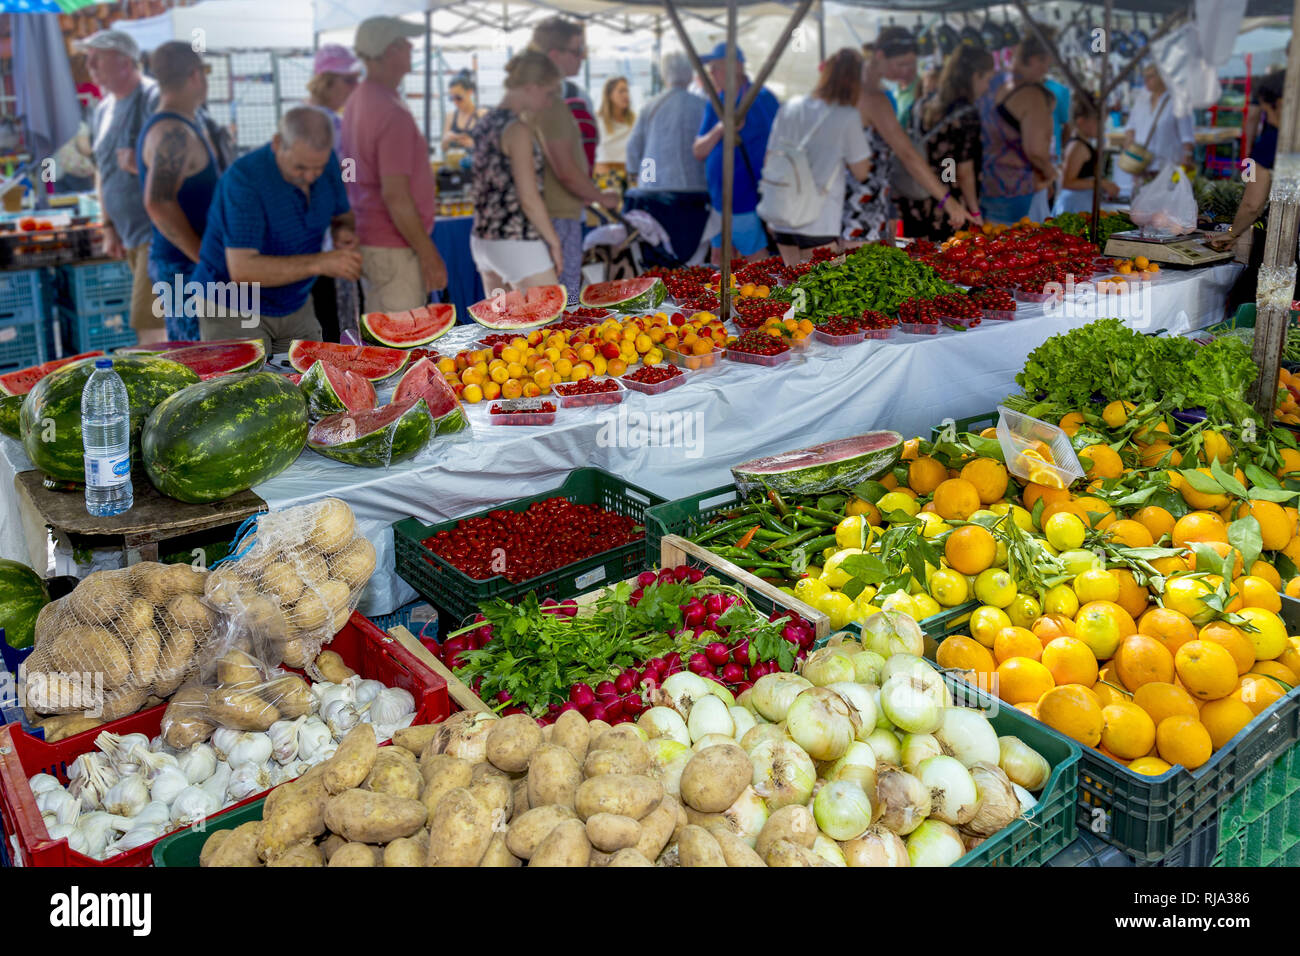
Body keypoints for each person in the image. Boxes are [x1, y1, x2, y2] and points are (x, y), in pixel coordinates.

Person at [192, 108, 361, 356]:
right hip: (232, 305)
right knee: (246, 390)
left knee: (310, 383)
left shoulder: (327, 164)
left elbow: (342, 216)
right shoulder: (244, 179)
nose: (310, 177)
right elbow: (243, 270)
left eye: (318, 169)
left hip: (295, 300)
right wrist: (321, 262)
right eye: (300, 168)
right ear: (278, 143)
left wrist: (342, 232)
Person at [342, 16, 446, 314]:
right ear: (389, 51)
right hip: (395, 247)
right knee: (401, 342)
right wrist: (429, 255)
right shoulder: (391, 112)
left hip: (372, 238)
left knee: (385, 337)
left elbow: (347, 168)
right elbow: (396, 195)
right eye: (405, 42)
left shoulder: (357, 101)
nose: (413, 47)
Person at [844, 30, 972, 245]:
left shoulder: (852, 88)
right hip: (858, 204)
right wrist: (948, 201)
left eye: (913, 64)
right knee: (854, 269)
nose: (909, 72)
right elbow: (907, 154)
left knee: (846, 266)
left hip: (864, 200)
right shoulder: (873, 98)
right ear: (880, 56)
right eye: (902, 64)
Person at [529, 17, 620, 303]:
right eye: (577, 50)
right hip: (557, 213)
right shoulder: (551, 103)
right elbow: (565, 170)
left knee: (547, 300)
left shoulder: (534, 96)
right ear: (555, 55)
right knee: (560, 302)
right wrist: (599, 197)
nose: (582, 58)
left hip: (551, 210)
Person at [80, 30, 163, 344]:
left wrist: (141, 164)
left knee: (150, 321)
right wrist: (108, 225)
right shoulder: (103, 109)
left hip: (159, 231)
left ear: (125, 61)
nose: (90, 66)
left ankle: (165, 390)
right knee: (153, 319)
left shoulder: (153, 97)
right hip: (130, 234)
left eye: (97, 58)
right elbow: (102, 170)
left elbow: (182, 161)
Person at [137, 42, 220, 343]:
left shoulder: (180, 125)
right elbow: (158, 202)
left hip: (187, 264)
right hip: (184, 267)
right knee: (199, 358)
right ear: (195, 75)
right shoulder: (173, 132)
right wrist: (202, 254)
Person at [762, 48, 872, 264]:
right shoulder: (847, 115)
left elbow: (770, 158)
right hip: (818, 218)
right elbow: (862, 172)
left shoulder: (790, 106)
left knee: (794, 289)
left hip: (782, 213)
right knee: (823, 292)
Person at [469, 52, 564, 293]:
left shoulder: (484, 122)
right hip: (518, 241)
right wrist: (554, 242)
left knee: (501, 327)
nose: (550, 102)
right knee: (547, 328)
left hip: (483, 241)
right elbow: (529, 198)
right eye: (549, 93)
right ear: (532, 87)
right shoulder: (517, 130)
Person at [1211, 72, 1292, 315]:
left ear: (1278, 104)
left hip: (1281, 242)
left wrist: (1232, 234)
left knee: (1253, 308)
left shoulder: (1271, 141)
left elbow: (1252, 204)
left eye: (1267, 110)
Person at [692, 43, 780, 265]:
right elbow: (699, 150)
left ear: (736, 68)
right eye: (710, 69)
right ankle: (730, 301)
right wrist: (721, 128)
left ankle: (767, 300)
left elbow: (780, 147)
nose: (711, 74)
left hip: (746, 200)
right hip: (719, 201)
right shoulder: (717, 101)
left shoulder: (761, 99)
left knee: (757, 262)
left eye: (716, 68)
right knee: (719, 258)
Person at [897, 44, 994, 241]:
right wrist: (975, 213)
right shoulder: (966, 114)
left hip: (915, 195)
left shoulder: (921, 105)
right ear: (975, 76)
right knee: (946, 262)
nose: (987, 87)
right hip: (947, 204)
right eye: (987, 79)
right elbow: (963, 171)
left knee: (919, 258)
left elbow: (943, 158)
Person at [624, 50, 709, 264]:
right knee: (692, 254)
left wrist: (643, 177)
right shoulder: (703, 105)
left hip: (655, 189)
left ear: (664, 75)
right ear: (690, 75)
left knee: (660, 251)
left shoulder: (650, 105)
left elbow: (635, 149)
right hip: (696, 190)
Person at [306, 44, 361, 342]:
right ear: (327, 81)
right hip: (333, 241)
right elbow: (348, 181)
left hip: (304, 246)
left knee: (320, 327)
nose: (355, 87)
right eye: (349, 80)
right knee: (341, 332)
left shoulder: (295, 119)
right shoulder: (335, 125)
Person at [978, 32, 1057, 225]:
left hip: (982, 183)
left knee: (984, 247)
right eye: (1046, 64)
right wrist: (1052, 174)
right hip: (1015, 188)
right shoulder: (1031, 95)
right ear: (1034, 59)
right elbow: (1036, 151)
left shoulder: (990, 81)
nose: (1046, 71)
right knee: (1015, 250)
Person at [1122, 63, 1196, 177]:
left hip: (1167, 166)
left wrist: (1187, 156)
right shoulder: (1141, 99)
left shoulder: (1178, 100)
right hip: (1140, 165)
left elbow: (1187, 136)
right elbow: (1130, 126)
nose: (1146, 80)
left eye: (1151, 76)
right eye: (1144, 76)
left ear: (1163, 77)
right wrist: (1129, 144)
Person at [1052, 101, 1120, 216]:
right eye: (1098, 122)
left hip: (1082, 204)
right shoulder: (1078, 147)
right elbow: (1067, 182)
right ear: (1081, 121)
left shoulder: (1082, 144)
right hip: (1075, 207)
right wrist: (1102, 183)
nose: (1102, 127)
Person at [306, 44, 361, 153]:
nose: (357, 86)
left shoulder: (298, 113)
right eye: (349, 80)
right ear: (326, 83)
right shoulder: (332, 123)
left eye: (357, 79)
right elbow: (348, 168)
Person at [594, 76, 635, 183]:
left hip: (630, 175)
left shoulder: (635, 120)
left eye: (627, 91)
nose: (626, 95)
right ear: (609, 95)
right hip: (604, 176)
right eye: (621, 91)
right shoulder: (597, 120)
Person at [442, 72, 485, 153]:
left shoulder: (482, 114)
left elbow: (493, 146)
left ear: (470, 92)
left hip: (476, 164)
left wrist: (474, 144)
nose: (455, 102)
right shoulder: (450, 116)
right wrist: (446, 140)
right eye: (451, 98)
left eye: (458, 98)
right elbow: (444, 148)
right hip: (455, 163)